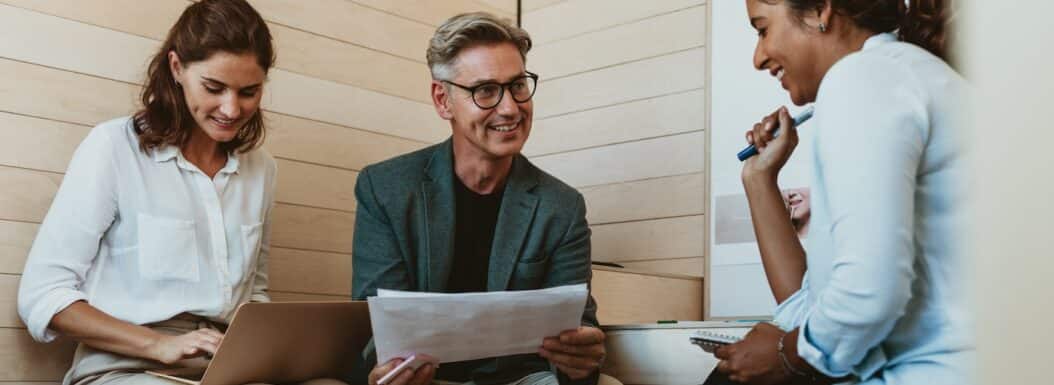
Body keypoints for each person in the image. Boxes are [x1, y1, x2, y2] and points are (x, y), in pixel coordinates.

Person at [14, 1, 285, 384]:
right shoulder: (114, 147)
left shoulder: (262, 169)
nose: (231, 108)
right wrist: (158, 344)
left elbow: (254, 294)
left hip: (225, 364)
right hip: (127, 366)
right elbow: (43, 296)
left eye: (249, 92)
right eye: (214, 87)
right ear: (177, 68)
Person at [712, 0, 971, 384]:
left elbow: (867, 295)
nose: (758, 57)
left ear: (820, 10)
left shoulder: (863, 77)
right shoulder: (899, 74)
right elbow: (813, 305)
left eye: (763, 29)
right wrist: (759, 177)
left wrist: (788, 354)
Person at [349, 12, 614, 385]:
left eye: (518, 86)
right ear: (443, 101)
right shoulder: (386, 188)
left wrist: (582, 356)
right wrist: (390, 369)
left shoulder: (562, 207)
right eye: (485, 91)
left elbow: (580, 325)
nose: (510, 108)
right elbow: (373, 321)